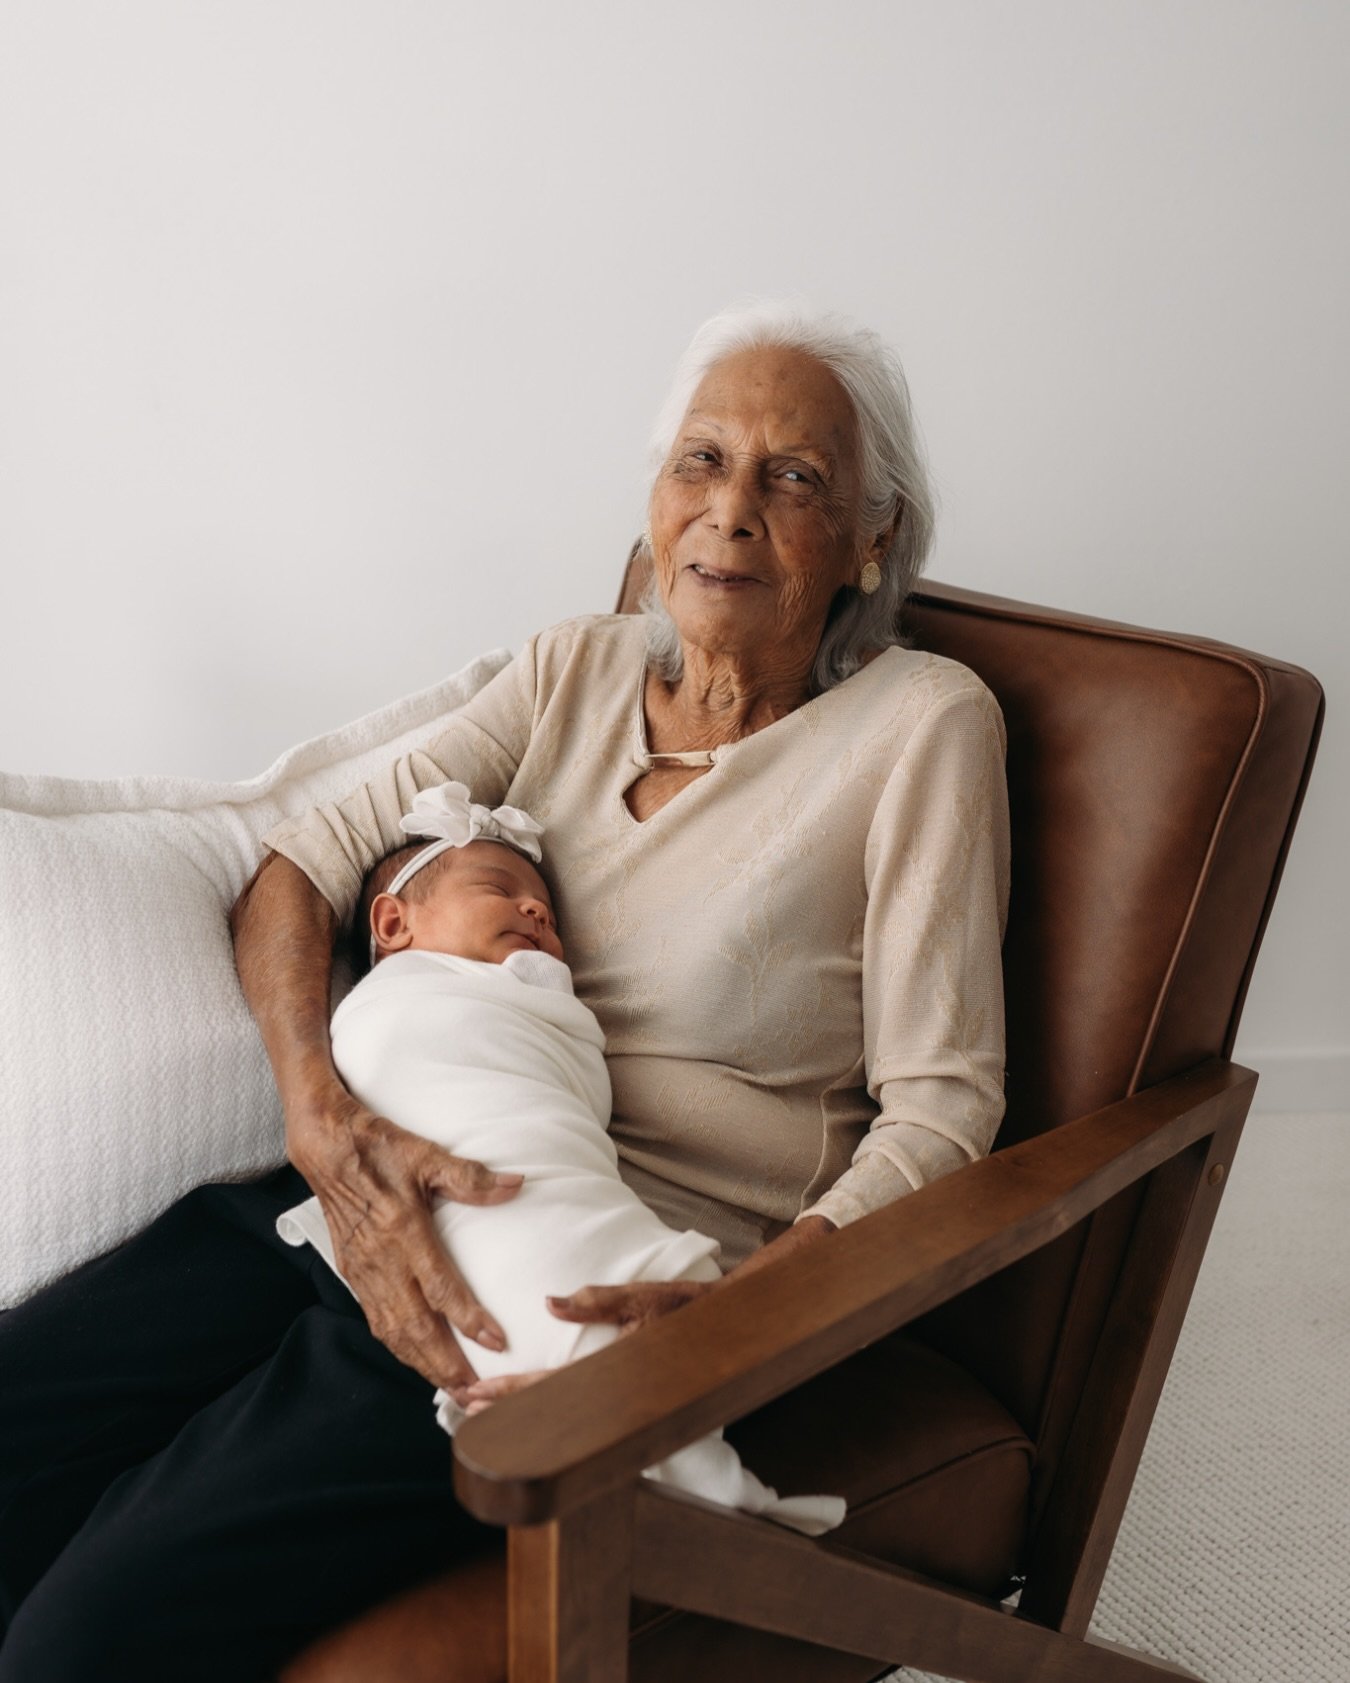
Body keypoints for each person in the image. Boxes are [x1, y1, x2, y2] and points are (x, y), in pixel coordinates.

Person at [0, 300, 1009, 1683]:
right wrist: (320, 1121)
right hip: (337, 1201)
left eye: (794, 477)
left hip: (555, 1291)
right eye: (699, 462)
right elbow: (299, 868)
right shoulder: (573, 668)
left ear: (872, 535)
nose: (730, 510)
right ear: (654, 497)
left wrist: (740, 1316)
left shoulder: (919, 726)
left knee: (83, 1639)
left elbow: (943, 1112)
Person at [281, 778, 843, 1532]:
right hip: (341, 1199)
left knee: (548, 1253)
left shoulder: (543, 1007)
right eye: (497, 888)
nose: (536, 910)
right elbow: (297, 866)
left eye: (543, 912)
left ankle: (634, 1406)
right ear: (392, 923)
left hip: (493, 1208)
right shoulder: (393, 999)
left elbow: (564, 1095)